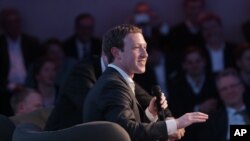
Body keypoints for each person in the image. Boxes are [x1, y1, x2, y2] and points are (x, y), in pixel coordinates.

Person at [83, 24, 208, 141]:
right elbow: (126, 131)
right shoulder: (112, 84)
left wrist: (150, 114)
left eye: (145, 47)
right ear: (117, 53)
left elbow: (130, 130)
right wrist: (177, 123)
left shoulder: (117, 81)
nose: (145, 54)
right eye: (137, 48)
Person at [45, 51, 156, 131]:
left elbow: (148, 100)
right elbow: (98, 113)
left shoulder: (120, 74)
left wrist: (166, 118)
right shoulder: (82, 71)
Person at [199, 69, 250, 141]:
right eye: (224, 89)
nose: (229, 91)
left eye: (233, 86)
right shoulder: (212, 121)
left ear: (242, 87)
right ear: (219, 94)